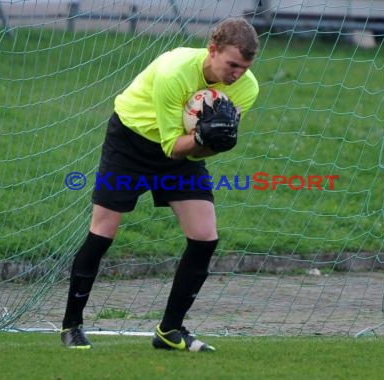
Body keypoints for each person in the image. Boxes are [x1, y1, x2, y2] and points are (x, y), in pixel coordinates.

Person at [60, 17, 260, 352]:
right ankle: (72, 325)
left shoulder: (247, 87)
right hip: (131, 142)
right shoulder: (174, 72)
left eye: (245, 67)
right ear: (212, 50)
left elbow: (206, 147)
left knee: (205, 236)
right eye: (232, 65)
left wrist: (214, 140)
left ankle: (169, 331)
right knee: (103, 231)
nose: (237, 74)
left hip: (183, 155)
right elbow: (171, 145)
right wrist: (201, 134)